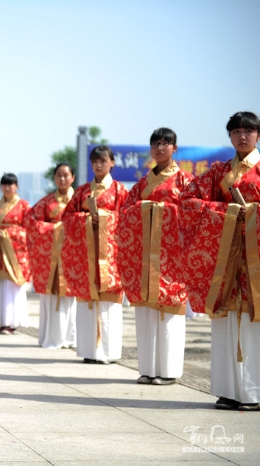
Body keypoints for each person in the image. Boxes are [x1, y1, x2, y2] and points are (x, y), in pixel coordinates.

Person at [180, 111, 260, 410]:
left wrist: (251, 213)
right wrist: (226, 213)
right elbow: (188, 201)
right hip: (224, 259)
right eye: (236, 131)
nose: (242, 136)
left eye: (248, 131)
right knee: (225, 321)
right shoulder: (217, 172)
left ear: (258, 135)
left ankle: (253, 392)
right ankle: (228, 389)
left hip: (255, 259)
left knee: (255, 323)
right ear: (229, 136)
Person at [117, 128, 192, 384]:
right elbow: (125, 213)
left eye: (166, 143)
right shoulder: (141, 184)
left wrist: (157, 210)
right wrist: (145, 209)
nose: (160, 148)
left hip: (172, 257)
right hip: (145, 257)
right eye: (156, 144)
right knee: (146, 313)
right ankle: (147, 369)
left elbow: (192, 213)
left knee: (169, 312)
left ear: (175, 148)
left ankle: (169, 371)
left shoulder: (185, 181)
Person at [62, 146, 128, 363]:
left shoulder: (120, 191)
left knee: (109, 305)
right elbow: (67, 217)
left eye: (103, 160)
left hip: (111, 256)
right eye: (95, 161)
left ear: (112, 163)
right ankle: (89, 351)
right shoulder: (81, 191)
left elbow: (129, 219)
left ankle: (109, 352)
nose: (99, 165)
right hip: (86, 256)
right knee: (87, 304)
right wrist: (88, 220)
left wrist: (105, 218)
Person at [27, 162, 77, 348]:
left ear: (73, 177)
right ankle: (51, 337)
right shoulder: (46, 202)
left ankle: (71, 338)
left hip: (72, 256)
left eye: (66, 175)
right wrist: (55, 229)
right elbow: (31, 221)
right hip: (50, 256)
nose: (62, 179)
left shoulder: (80, 200)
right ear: (54, 178)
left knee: (71, 298)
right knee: (51, 297)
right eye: (59, 175)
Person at [0, 173, 31, 334]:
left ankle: (13, 322)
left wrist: (9, 234)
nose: (7, 188)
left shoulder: (24, 205)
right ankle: (1, 321)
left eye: (10, 185)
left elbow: (29, 227)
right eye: (4, 185)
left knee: (12, 286)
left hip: (16, 252)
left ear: (16, 187)